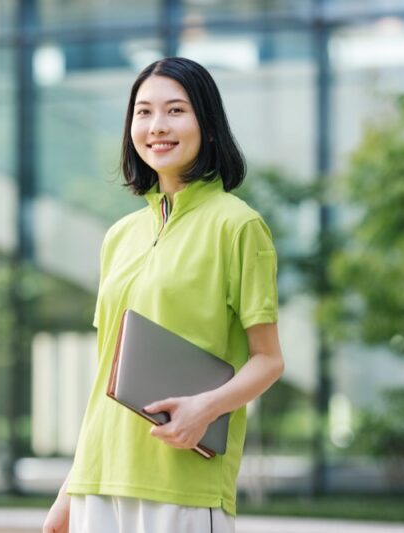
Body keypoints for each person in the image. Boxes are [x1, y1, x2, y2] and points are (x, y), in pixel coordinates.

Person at [43, 56, 285, 533]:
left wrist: (205, 409)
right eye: (144, 112)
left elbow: (269, 361)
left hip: (183, 484)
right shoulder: (119, 235)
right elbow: (105, 376)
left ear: (208, 126)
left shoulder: (239, 226)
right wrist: (69, 491)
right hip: (98, 483)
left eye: (175, 110)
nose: (157, 125)